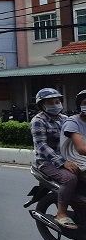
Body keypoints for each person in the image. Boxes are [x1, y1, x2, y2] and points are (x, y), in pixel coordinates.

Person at [31, 88, 75, 229]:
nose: (55, 104)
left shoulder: (65, 119)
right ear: (42, 105)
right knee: (70, 179)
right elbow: (41, 146)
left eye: (57, 101)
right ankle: (61, 213)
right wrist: (63, 163)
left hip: (68, 159)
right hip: (47, 162)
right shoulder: (38, 121)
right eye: (50, 102)